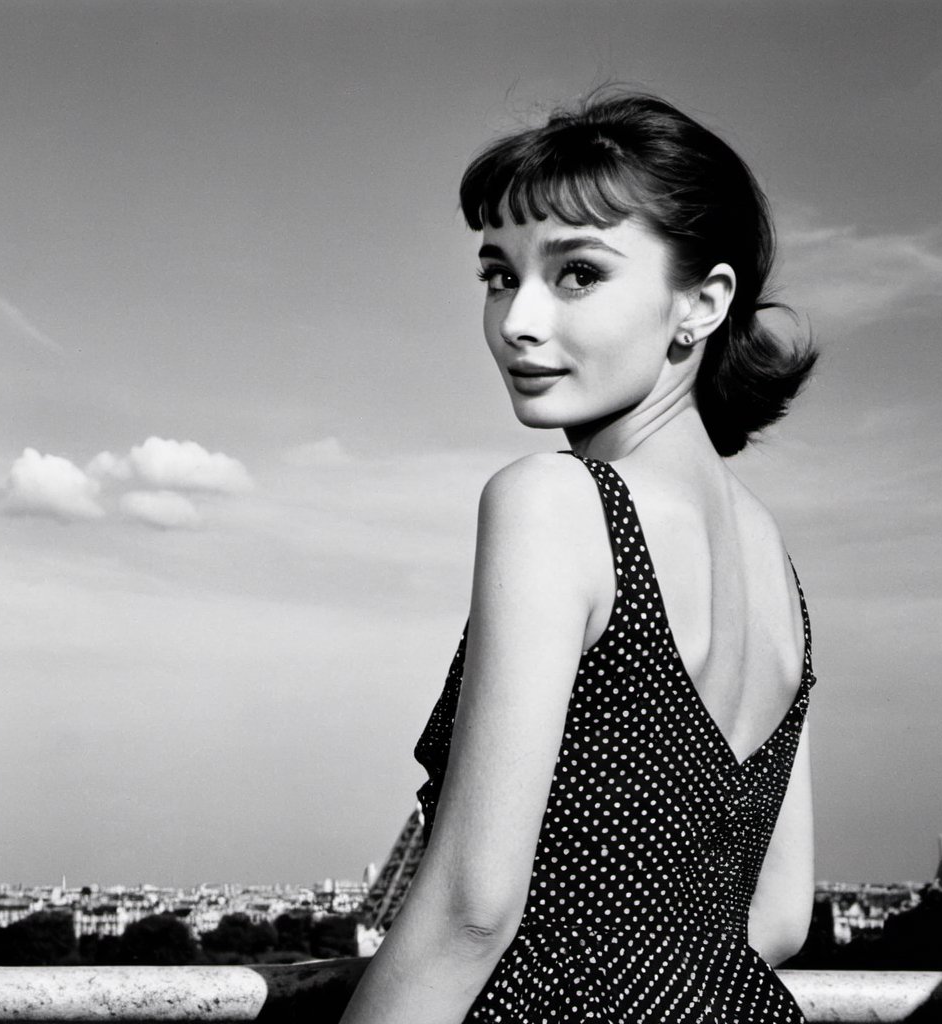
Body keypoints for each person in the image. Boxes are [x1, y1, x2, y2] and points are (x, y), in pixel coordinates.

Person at [340, 92, 819, 1023]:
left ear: (704, 302)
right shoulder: (775, 558)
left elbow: (472, 914)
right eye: (496, 275)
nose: (517, 321)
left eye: (577, 275)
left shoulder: (555, 503)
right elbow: (778, 917)